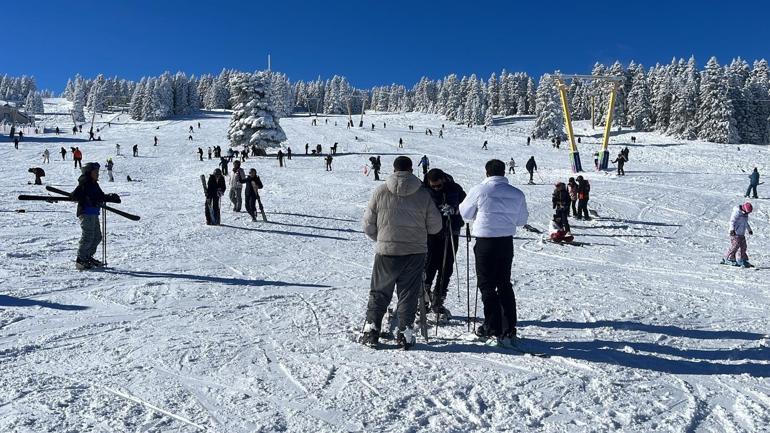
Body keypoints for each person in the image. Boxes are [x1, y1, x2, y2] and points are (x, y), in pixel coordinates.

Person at [360, 156, 442, 349]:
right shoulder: (423, 194)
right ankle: (405, 333)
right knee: (408, 294)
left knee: (380, 291)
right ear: (411, 170)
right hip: (414, 252)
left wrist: (382, 239)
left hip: (387, 252)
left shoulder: (380, 191)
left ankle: (371, 330)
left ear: (394, 169)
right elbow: (435, 226)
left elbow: (368, 224)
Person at [459, 159, 529, 344]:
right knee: (504, 283)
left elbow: (465, 213)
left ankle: (492, 325)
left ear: (487, 172)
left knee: (486, 284)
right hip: (506, 242)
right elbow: (522, 220)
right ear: (504, 172)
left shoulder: (480, 190)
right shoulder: (517, 193)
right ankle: (509, 326)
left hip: (485, 241)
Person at [423, 169, 467, 320]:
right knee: (429, 264)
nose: (436, 188)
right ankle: (424, 298)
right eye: (433, 186)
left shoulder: (454, 188)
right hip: (431, 232)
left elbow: (466, 205)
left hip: (451, 230)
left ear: (443, 180)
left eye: (439, 186)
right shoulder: (424, 191)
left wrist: (454, 210)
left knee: (446, 266)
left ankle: (438, 299)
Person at [71, 162, 118, 270]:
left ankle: (87, 256)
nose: (98, 174)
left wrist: (110, 197)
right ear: (89, 173)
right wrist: (87, 198)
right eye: (95, 172)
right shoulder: (84, 183)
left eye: (98, 171)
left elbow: (100, 196)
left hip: (94, 213)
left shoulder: (94, 184)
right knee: (88, 236)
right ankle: (81, 259)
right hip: (86, 212)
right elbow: (74, 195)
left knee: (97, 237)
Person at [722, 202, 754, 267]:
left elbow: (745, 222)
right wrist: (732, 229)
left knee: (743, 246)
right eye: (748, 212)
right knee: (735, 245)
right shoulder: (737, 212)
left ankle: (742, 259)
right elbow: (732, 221)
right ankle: (728, 258)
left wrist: (749, 230)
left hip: (741, 233)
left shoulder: (745, 214)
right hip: (735, 233)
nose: (748, 214)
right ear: (744, 209)